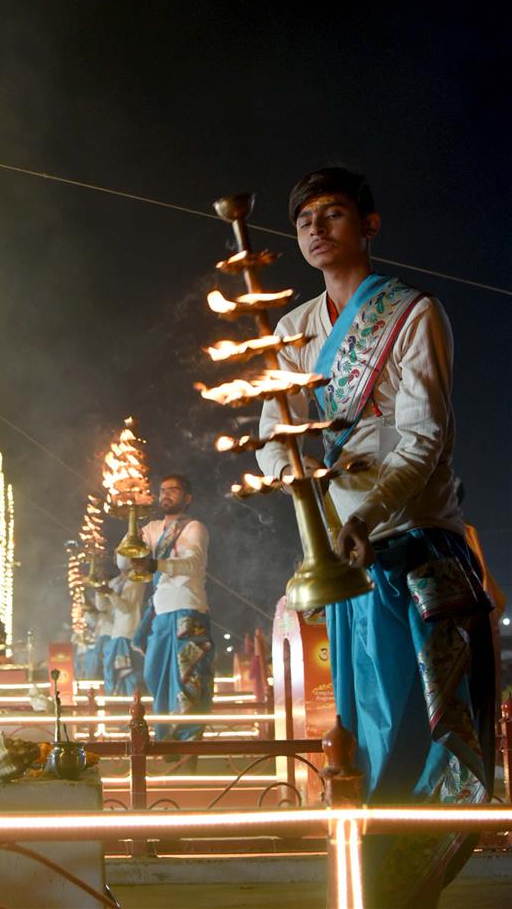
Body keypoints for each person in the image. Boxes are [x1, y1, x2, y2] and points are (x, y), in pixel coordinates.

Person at [256, 167, 495, 908]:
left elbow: (424, 438)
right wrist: (319, 518)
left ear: (369, 224)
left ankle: (404, 886)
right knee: (358, 733)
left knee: (415, 737)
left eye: (333, 214)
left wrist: (365, 515)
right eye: (304, 221)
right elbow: (273, 440)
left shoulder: (412, 313)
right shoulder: (290, 331)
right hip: (340, 562)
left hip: (412, 550)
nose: (317, 229)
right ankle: (372, 883)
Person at [129, 474, 214, 740]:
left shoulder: (194, 528)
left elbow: (192, 564)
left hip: (188, 612)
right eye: (162, 490)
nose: (166, 494)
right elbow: (124, 561)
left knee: (188, 683)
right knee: (154, 676)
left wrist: (156, 565)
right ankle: (166, 743)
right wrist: (130, 522)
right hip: (160, 613)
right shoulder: (151, 529)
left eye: (173, 490)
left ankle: (188, 751)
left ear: (187, 498)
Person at [101, 557, 148, 695]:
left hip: (128, 634)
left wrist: (110, 593)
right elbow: (102, 607)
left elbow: (126, 608)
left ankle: (131, 707)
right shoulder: (115, 582)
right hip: (115, 635)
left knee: (128, 675)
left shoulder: (136, 580)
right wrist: (99, 590)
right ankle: (115, 707)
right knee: (112, 674)